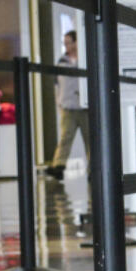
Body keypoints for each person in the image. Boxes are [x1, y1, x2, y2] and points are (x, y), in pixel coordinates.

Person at [47, 30, 89, 180]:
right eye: (65, 43)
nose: (67, 46)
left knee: (90, 140)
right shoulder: (62, 61)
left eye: (69, 42)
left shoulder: (85, 59)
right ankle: (58, 166)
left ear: (77, 42)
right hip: (68, 107)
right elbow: (57, 84)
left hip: (85, 108)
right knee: (65, 137)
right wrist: (59, 102)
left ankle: (93, 170)